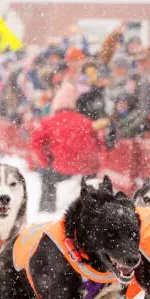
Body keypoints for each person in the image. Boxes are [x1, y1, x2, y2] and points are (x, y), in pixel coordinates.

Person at [30, 83, 101, 212]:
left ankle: (47, 210)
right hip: (88, 168)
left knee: (47, 179)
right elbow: (99, 142)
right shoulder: (85, 121)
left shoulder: (49, 122)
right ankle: (92, 209)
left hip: (63, 167)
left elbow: (36, 144)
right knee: (91, 184)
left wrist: (46, 162)